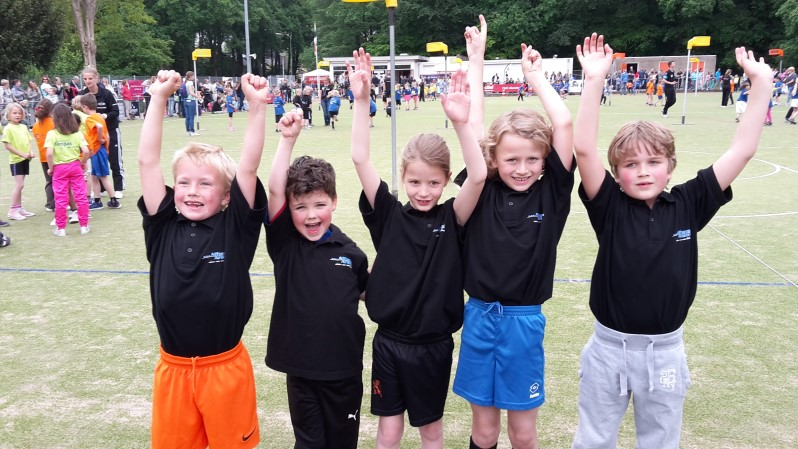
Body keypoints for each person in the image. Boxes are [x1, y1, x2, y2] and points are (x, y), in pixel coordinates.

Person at [572, 34, 773, 449]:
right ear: (618, 172)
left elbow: (743, 149)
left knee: (660, 441)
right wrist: (594, 80)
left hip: (664, 352)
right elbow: (584, 152)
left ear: (670, 167)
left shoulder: (688, 203)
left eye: (653, 162)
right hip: (609, 349)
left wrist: (762, 84)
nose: (643, 172)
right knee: (593, 439)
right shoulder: (608, 205)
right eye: (630, 164)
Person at [349, 48, 486, 449]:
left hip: (433, 347)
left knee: (431, 431)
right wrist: (361, 100)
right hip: (389, 342)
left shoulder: (452, 218)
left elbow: (478, 175)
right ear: (403, 179)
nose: (423, 191)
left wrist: (461, 123)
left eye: (432, 183)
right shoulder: (388, 214)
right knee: (388, 429)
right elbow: (359, 157)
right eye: (414, 182)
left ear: (445, 180)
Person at [452, 17, 575, 449]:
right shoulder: (481, 187)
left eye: (531, 160)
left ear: (543, 161)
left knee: (523, 432)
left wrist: (536, 78)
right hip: (479, 317)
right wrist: (476, 60)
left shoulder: (552, 196)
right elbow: (479, 129)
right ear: (494, 160)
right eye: (511, 160)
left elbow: (564, 126)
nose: (521, 169)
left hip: (524, 323)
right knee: (484, 429)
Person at [137, 70, 269, 449]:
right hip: (173, 371)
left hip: (224, 368)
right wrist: (158, 98)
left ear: (226, 197)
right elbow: (148, 163)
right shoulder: (162, 224)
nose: (192, 191)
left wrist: (256, 108)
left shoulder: (236, 228)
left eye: (205, 183)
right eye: (184, 182)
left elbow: (247, 168)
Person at [263, 109, 369, 449]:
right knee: (308, 444)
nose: (311, 215)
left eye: (319, 204)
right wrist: (287, 140)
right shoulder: (285, 244)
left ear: (335, 202)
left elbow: (371, 293)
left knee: (342, 443)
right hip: (302, 373)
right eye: (300, 207)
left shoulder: (351, 253)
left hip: (345, 372)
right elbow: (275, 189)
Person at [44, 103, 91, 236]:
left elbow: (49, 154)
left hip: (59, 168)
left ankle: (61, 228)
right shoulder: (77, 133)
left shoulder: (52, 134)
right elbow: (86, 151)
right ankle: (84, 226)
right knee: (81, 196)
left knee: (60, 198)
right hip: (75, 166)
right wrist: (82, 162)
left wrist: (51, 168)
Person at [81, 67, 125, 197]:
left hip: (110, 130)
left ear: (96, 79)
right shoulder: (83, 94)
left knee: (114, 158)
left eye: (90, 78)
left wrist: (103, 117)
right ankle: (100, 189)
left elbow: (115, 112)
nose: (88, 81)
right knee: (95, 161)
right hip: (92, 137)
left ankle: (118, 188)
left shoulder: (106, 93)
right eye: (85, 79)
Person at [81, 93, 121, 210]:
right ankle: (97, 201)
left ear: (85, 107)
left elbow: (98, 127)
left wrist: (99, 139)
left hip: (97, 149)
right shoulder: (100, 116)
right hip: (99, 149)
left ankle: (114, 200)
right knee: (94, 176)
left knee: (103, 177)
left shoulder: (90, 118)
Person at [3, 102, 35, 221]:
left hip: (25, 159)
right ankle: (12, 210)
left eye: (19, 113)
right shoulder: (8, 128)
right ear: (9, 114)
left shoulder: (23, 127)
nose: (17, 115)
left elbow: (28, 141)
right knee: (19, 185)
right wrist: (21, 154)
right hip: (16, 160)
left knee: (21, 185)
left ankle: (19, 208)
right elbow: (7, 146)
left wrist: (30, 152)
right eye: (14, 113)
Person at [32, 99, 56, 212]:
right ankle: (60, 202)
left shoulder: (36, 125)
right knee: (58, 180)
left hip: (43, 157)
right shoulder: (54, 123)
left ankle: (50, 203)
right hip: (55, 156)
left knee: (49, 181)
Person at [182, 71, 203, 136]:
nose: (194, 77)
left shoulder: (185, 83)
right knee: (191, 117)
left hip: (185, 100)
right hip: (191, 101)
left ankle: (188, 131)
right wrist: (198, 97)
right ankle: (192, 131)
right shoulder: (190, 83)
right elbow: (191, 92)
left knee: (187, 117)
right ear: (190, 76)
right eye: (193, 75)